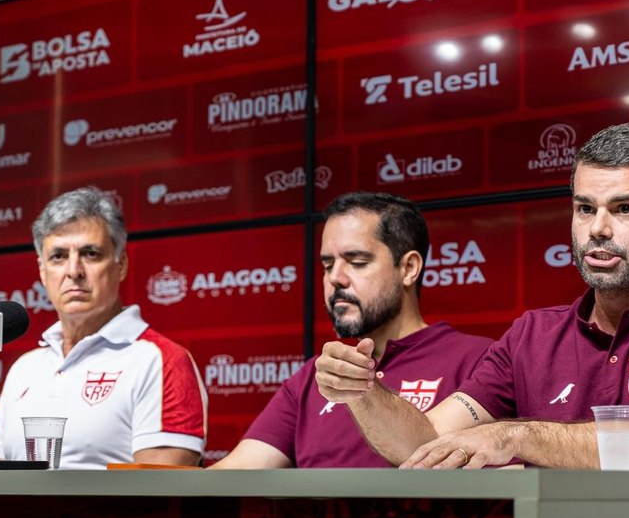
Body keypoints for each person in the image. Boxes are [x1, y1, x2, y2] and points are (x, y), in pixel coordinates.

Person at [315, 123, 629, 470]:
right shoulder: (533, 333)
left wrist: (516, 433)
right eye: (585, 208)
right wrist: (364, 391)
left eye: (625, 208)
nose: (598, 229)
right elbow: (425, 444)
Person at [211, 192, 492, 468]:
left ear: (408, 268)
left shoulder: (479, 361)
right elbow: (235, 472)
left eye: (357, 262)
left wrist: (362, 390)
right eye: (327, 265)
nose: (335, 278)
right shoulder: (314, 375)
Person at [0, 186, 207, 469]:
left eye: (90, 254)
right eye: (58, 257)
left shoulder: (161, 360)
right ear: (42, 271)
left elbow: (160, 497)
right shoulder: (24, 369)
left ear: (121, 264)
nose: (74, 271)